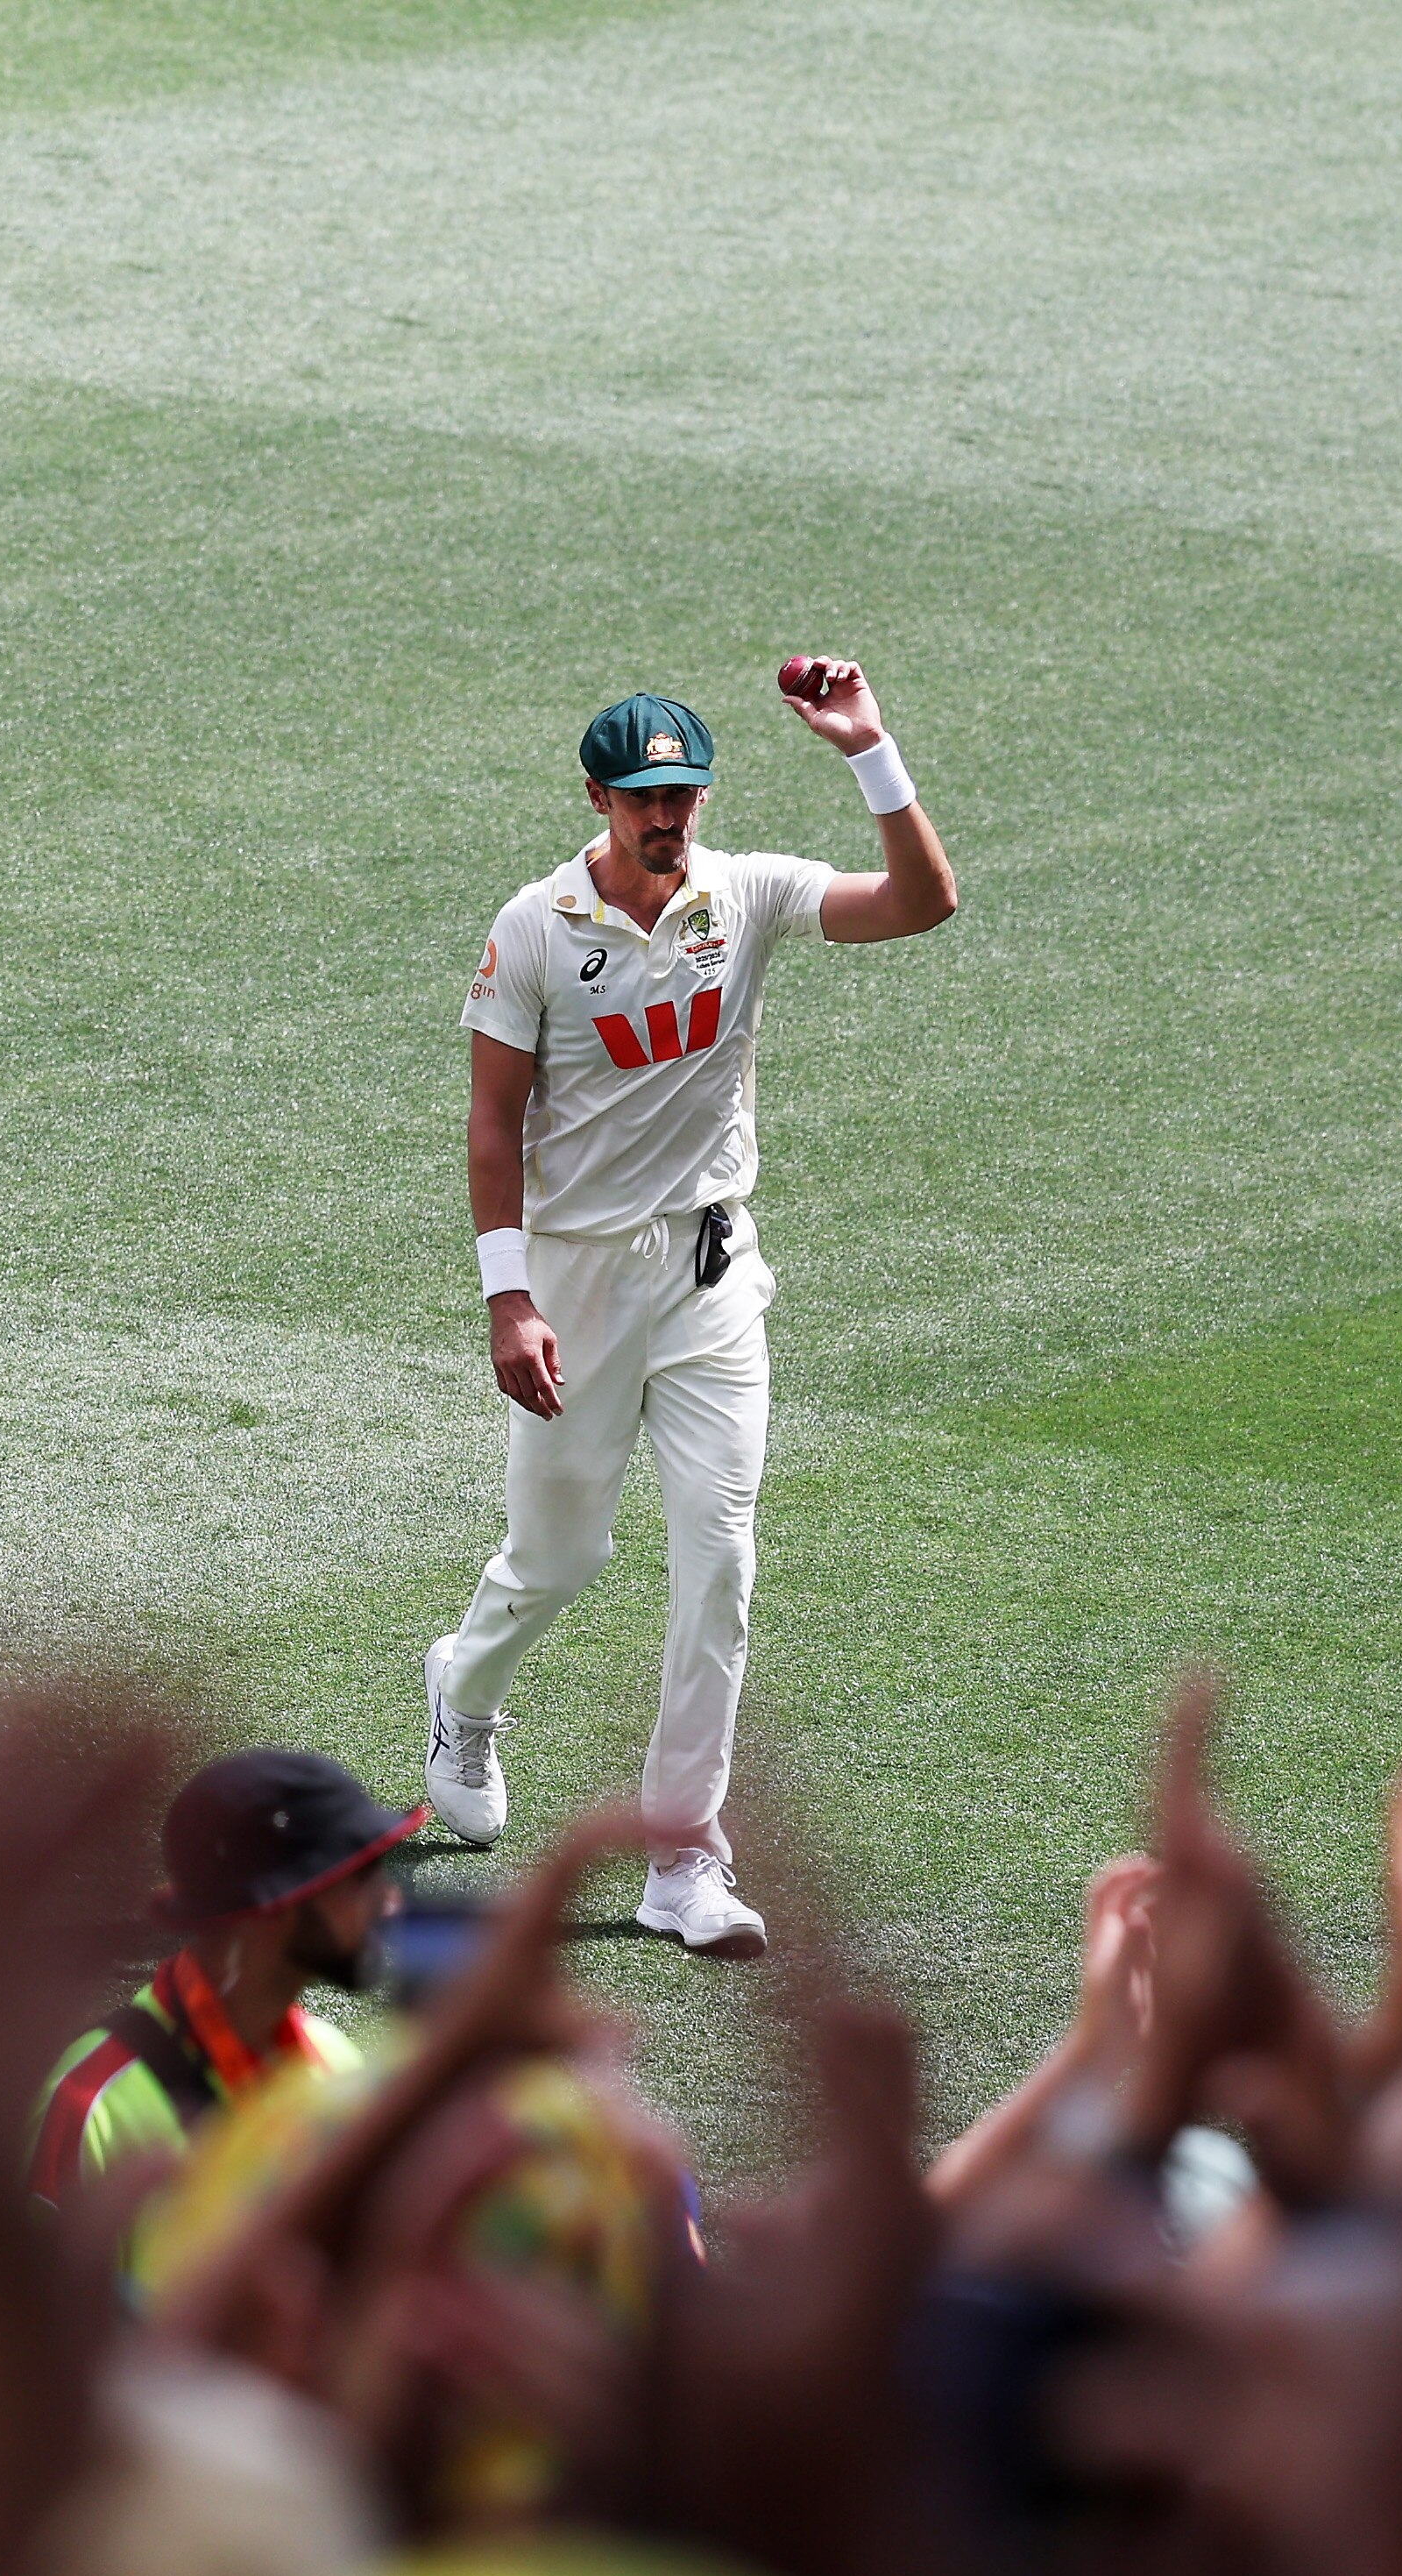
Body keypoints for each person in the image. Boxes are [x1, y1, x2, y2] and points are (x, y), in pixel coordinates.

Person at [419, 669, 959, 1954]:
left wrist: (869, 750)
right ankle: (465, 1684)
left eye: (683, 793)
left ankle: (682, 1860)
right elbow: (493, 1127)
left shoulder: (747, 892)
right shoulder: (537, 926)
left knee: (718, 1564)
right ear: (599, 798)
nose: (667, 816)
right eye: (643, 798)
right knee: (558, 1560)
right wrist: (509, 1301)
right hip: (576, 1280)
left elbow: (924, 902)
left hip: (714, 1277)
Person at [27, 1747, 420, 2201]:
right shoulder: (91, 2106)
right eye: (362, 1880)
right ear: (275, 1910)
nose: (390, 1902)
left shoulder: (334, 2066)